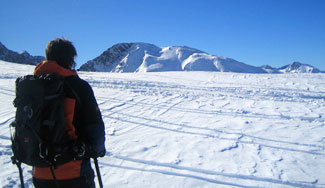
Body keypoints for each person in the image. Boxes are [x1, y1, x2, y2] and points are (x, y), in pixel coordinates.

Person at [32, 38, 106, 188]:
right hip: (74, 170)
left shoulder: (31, 86)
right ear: (71, 58)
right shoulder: (79, 87)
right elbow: (94, 127)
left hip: (39, 170)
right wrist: (97, 150)